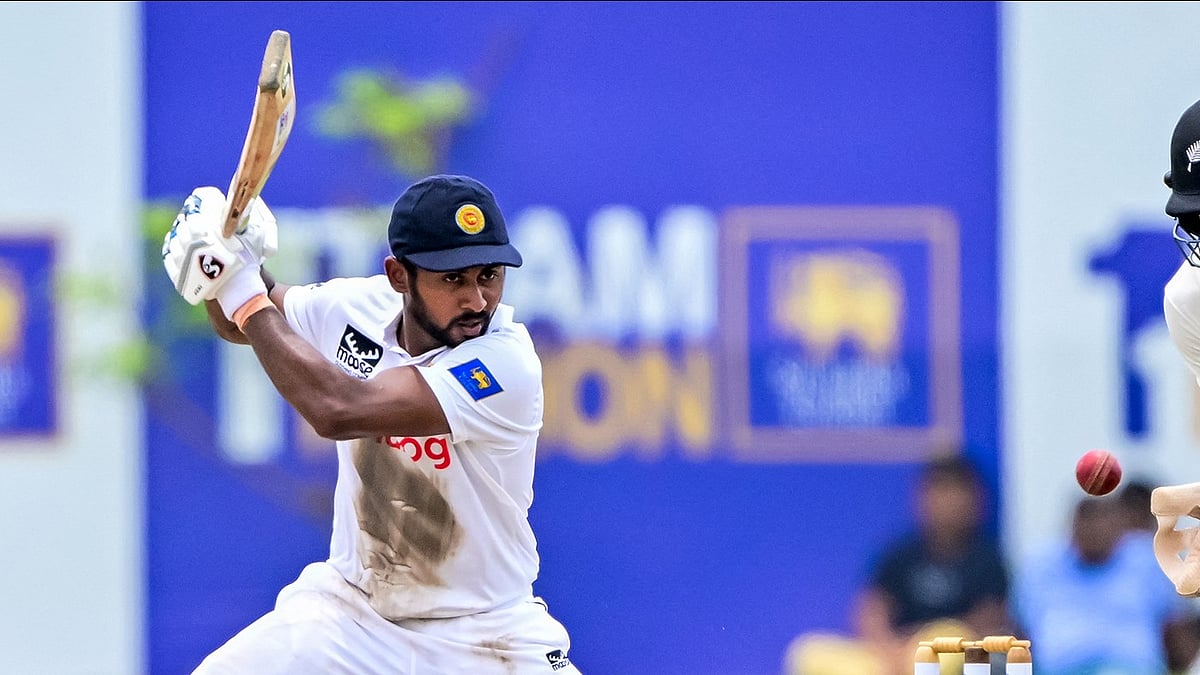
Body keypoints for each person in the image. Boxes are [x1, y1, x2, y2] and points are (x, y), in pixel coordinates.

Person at [160, 175, 580, 674]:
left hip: (484, 635)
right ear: (399, 275)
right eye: (453, 279)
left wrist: (241, 288)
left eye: (489, 274)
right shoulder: (356, 308)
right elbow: (243, 321)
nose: (477, 300)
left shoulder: (506, 363)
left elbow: (337, 409)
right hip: (355, 617)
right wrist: (223, 260)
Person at [783, 453, 1012, 675]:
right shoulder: (900, 554)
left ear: (975, 500)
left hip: (942, 654)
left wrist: (914, 643)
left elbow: (985, 624)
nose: (945, 502)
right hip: (889, 656)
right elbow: (871, 612)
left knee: (943, 640)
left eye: (954, 491)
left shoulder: (986, 559)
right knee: (809, 652)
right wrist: (890, 650)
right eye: (936, 490)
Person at [1010, 494, 1192, 674]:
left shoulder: (1147, 558)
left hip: (1131, 668)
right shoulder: (1040, 565)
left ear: (1120, 522)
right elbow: (1019, 632)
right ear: (1072, 522)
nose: (1094, 526)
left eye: (1102, 515)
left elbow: (1176, 627)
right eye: (1087, 515)